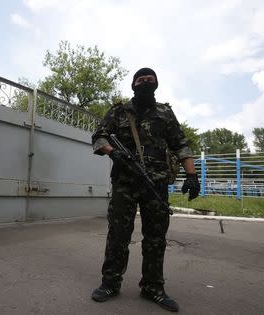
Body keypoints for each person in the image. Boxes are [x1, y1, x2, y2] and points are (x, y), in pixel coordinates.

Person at [91, 67, 200, 312]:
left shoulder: (165, 112)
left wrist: (192, 175)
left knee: (155, 237)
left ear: (156, 84)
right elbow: (98, 137)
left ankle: (153, 287)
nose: (145, 81)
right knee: (118, 234)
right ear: (133, 85)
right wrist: (113, 151)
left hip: (156, 183)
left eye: (150, 79)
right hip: (125, 181)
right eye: (140, 79)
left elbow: (181, 144)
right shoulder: (119, 111)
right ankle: (110, 282)